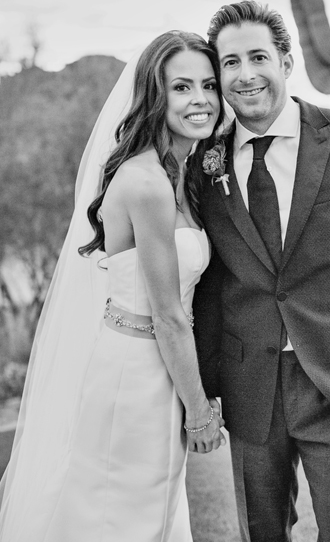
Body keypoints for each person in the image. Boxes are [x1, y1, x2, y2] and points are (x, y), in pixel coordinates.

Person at [193, 1, 330, 542]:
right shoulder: (205, 162)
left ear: (287, 61)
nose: (245, 75)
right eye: (230, 63)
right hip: (250, 388)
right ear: (219, 75)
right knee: (261, 534)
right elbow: (209, 283)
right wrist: (208, 379)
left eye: (257, 57)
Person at [0, 30, 226, 542]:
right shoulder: (146, 184)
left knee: (147, 513)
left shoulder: (178, 174)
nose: (201, 100)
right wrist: (199, 415)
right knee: (119, 518)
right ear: (155, 94)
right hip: (136, 376)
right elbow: (168, 314)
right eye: (182, 87)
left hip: (156, 366)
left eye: (209, 86)